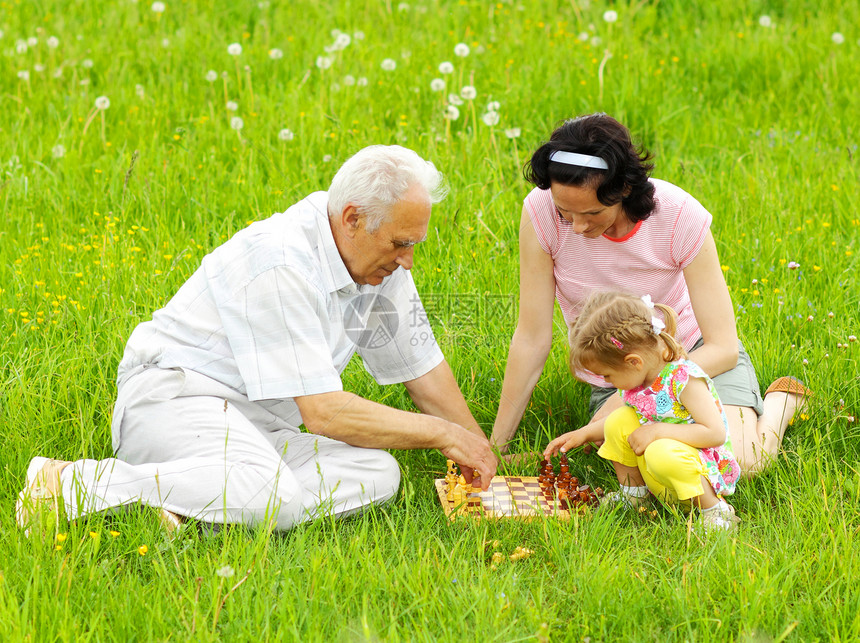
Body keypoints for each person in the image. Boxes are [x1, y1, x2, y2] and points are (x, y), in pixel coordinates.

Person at [17, 144, 497, 536]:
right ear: (352, 218)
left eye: (414, 244)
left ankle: (186, 513)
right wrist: (441, 434)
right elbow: (325, 413)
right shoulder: (280, 260)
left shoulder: (380, 262)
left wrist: (479, 448)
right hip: (176, 402)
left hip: (260, 425)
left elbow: (421, 369)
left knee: (378, 474)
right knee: (269, 493)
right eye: (401, 244)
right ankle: (70, 483)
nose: (409, 260)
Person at [491, 113, 810, 474]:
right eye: (565, 213)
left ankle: (781, 404)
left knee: (739, 466)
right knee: (649, 468)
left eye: (592, 212)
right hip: (622, 374)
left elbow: (723, 347)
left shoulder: (679, 215)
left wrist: (654, 386)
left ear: (624, 189)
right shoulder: (539, 211)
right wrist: (495, 447)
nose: (577, 227)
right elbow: (532, 338)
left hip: (695, 360)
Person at [544, 291, 741, 530]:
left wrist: (657, 431)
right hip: (662, 469)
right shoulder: (639, 382)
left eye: (608, 375)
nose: (607, 381)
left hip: (699, 472)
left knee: (660, 451)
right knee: (619, 419)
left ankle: (714, 511)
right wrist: (583, 434)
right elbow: (623, 421)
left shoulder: (684, 379)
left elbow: (714, 433)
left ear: (633, 361)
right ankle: (634, 495)